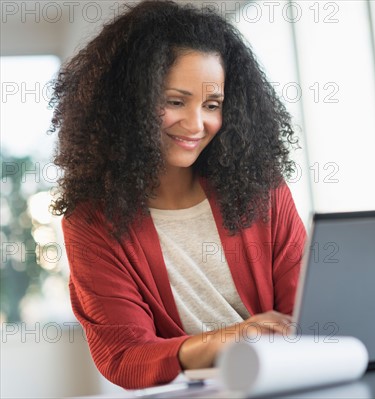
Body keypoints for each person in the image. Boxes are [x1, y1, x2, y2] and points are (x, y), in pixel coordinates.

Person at [49, 0, 306, 389]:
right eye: (174, 101)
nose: (196, 123)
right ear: (128, 104)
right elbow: (125, 357)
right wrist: (229, 340)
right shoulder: (92, 224)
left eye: (212, 105)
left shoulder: (261, 189)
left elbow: (307, 315)